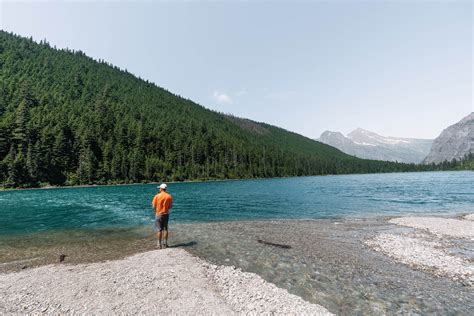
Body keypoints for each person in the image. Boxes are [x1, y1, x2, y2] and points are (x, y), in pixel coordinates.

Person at [151, 183, 173, 249]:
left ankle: (159, 245)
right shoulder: (169, 196)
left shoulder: (157, 196)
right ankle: (165, 244)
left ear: (161, 189)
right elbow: (170, 206)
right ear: (165, 189)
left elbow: (153, 206)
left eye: (159, 188)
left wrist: (156, 211)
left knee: (159, 230)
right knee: (165, 229)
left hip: (159, 214)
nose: (159, 189)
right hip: (166, 214)